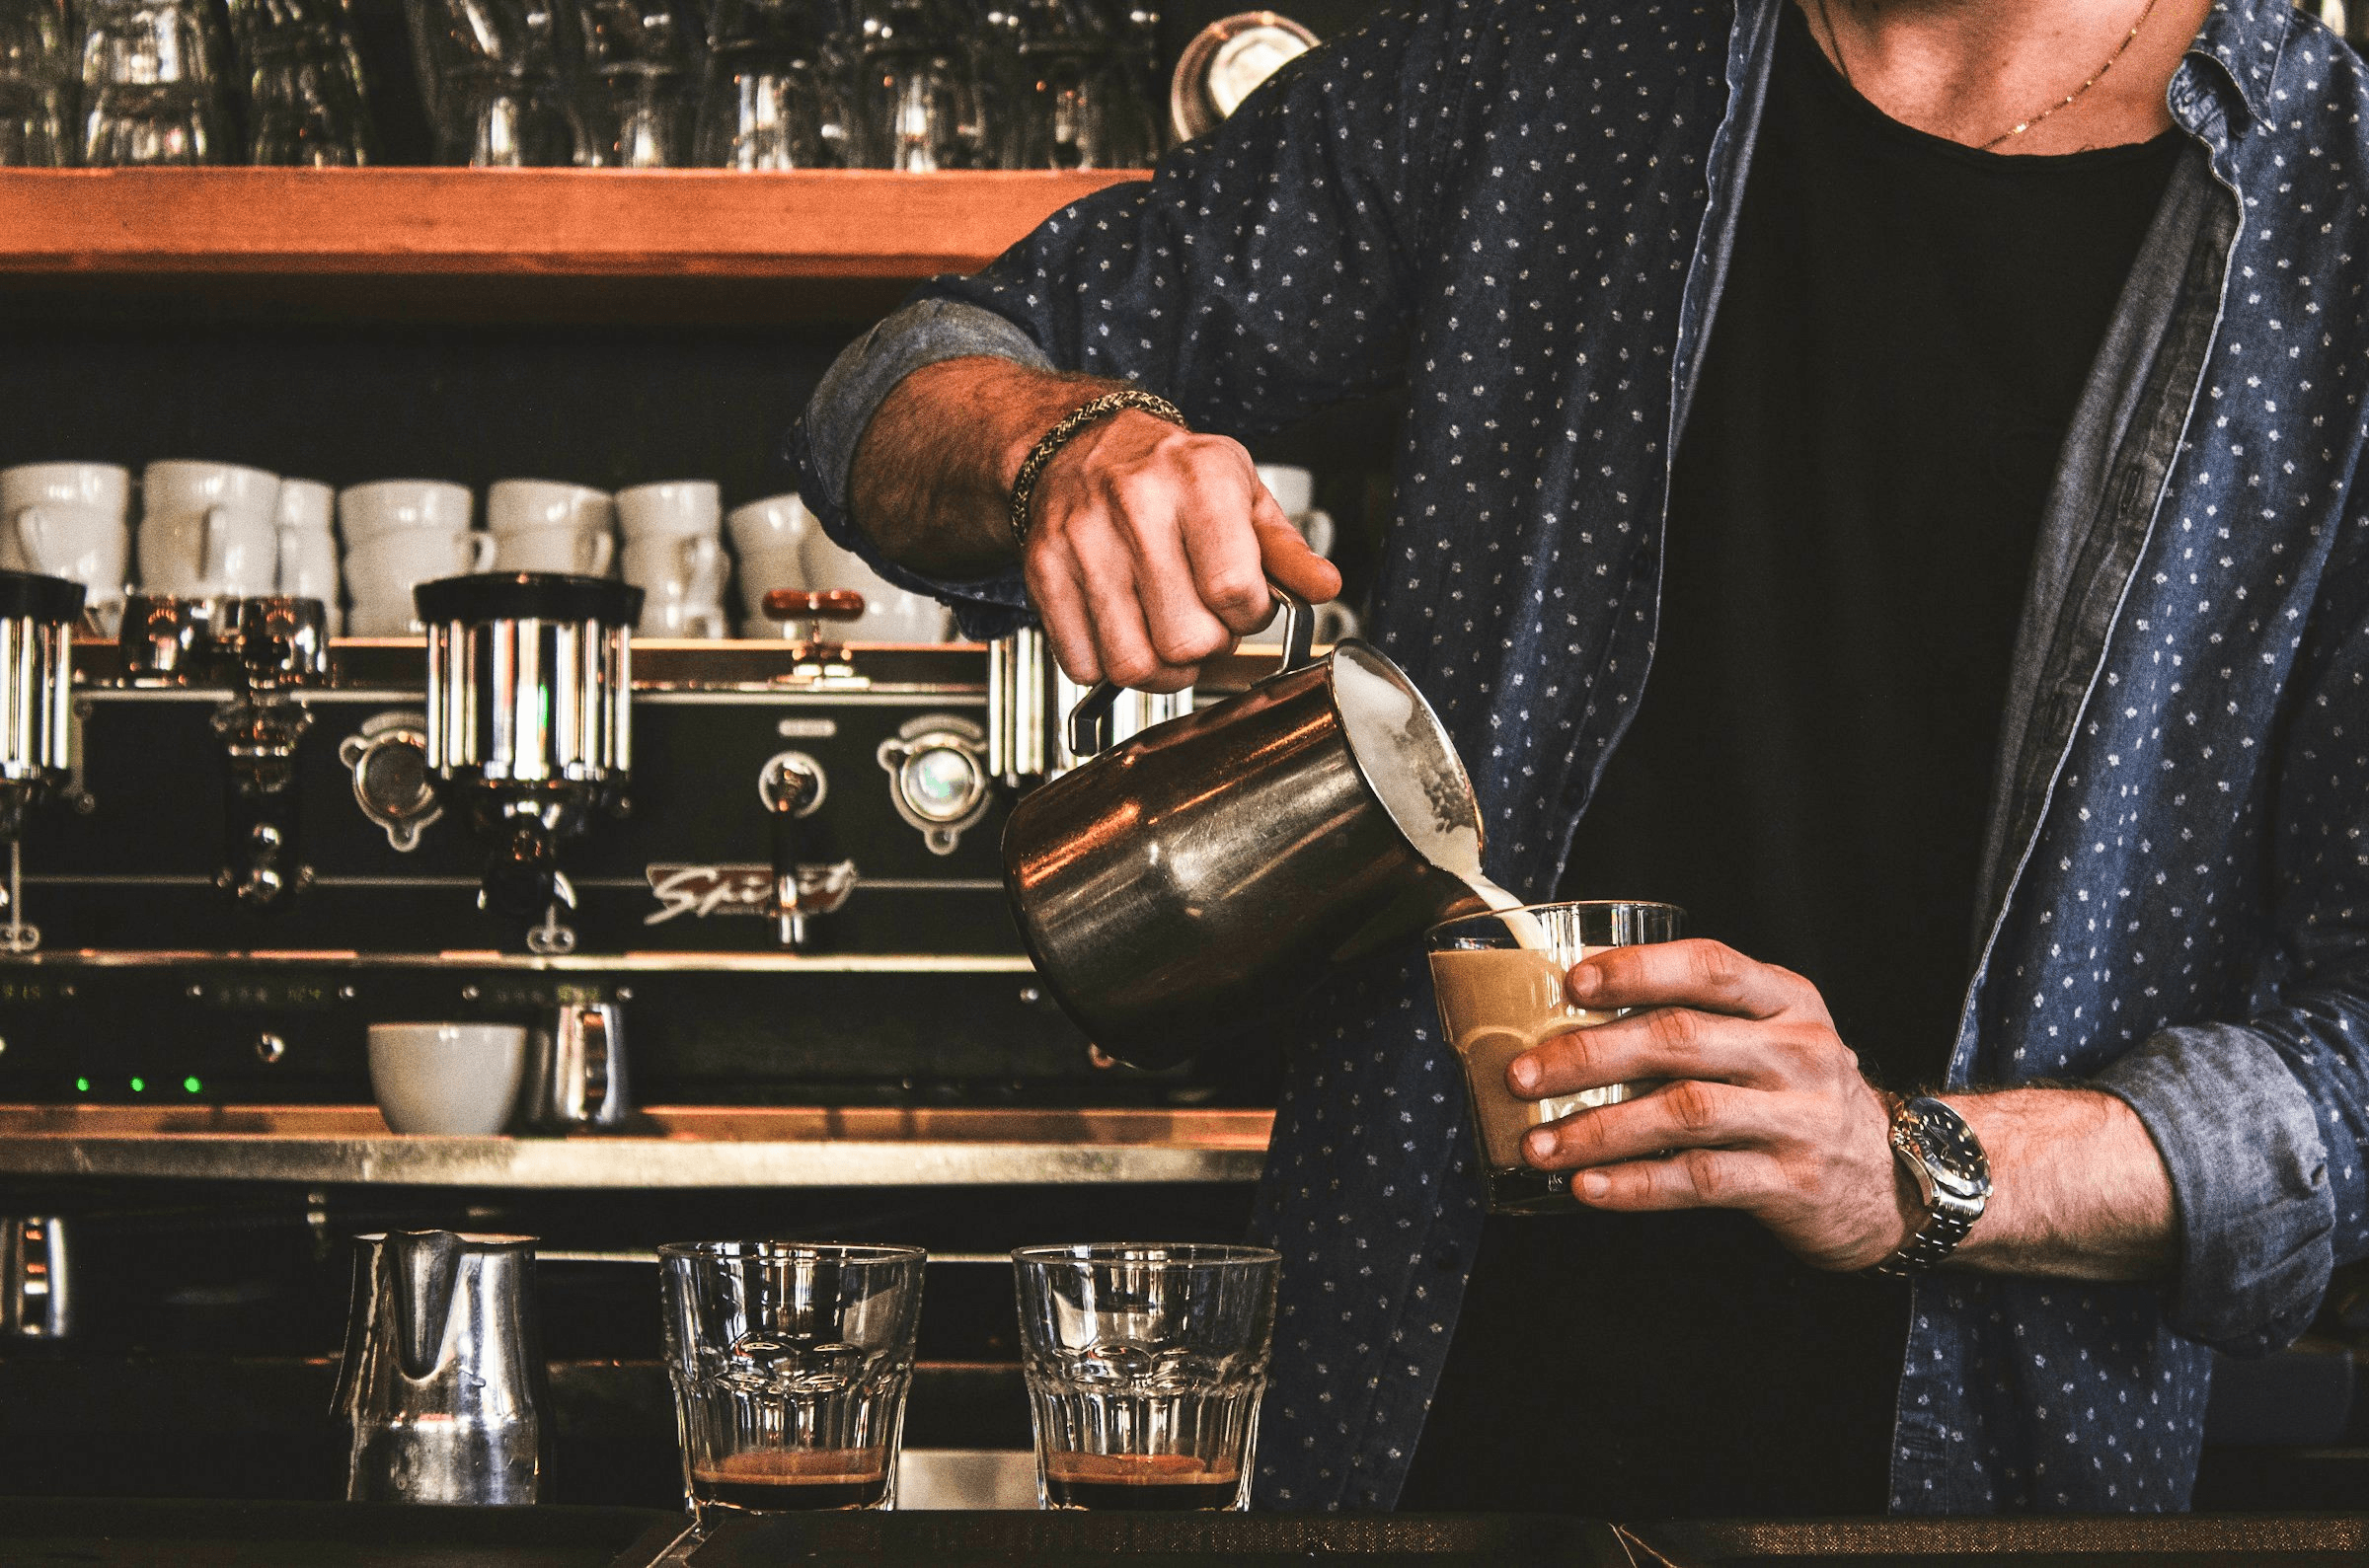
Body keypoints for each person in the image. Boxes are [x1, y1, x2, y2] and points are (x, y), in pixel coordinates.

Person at [792, 0, 2369, 1517]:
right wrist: (1056, 444)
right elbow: (890, 390)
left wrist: (1907, 1167)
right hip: (1397, 1434)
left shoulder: (2333, 210)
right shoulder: (1538, 70)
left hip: (1973, 1474)